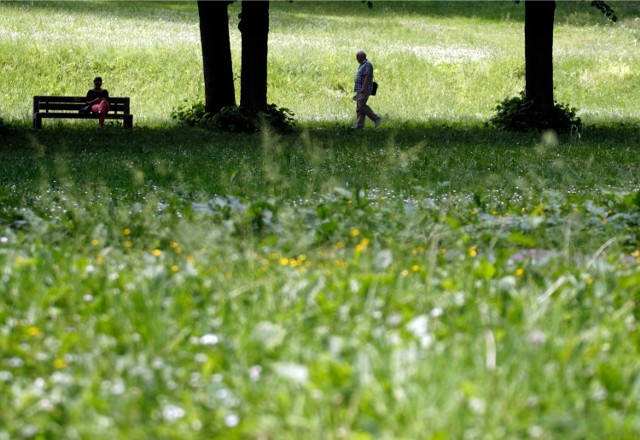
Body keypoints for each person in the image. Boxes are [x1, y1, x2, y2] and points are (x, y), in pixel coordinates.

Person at [352, 51, 381, 129]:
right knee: (359, 106)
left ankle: (376, 118)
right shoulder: (362, 65)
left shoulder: (367, 64)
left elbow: (367, 77)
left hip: (364, 89)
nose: (356, 59)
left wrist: (363, 89)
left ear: (362, 57)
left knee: (361, 105)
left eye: (357, 57)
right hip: (360, 89)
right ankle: (360, 125)